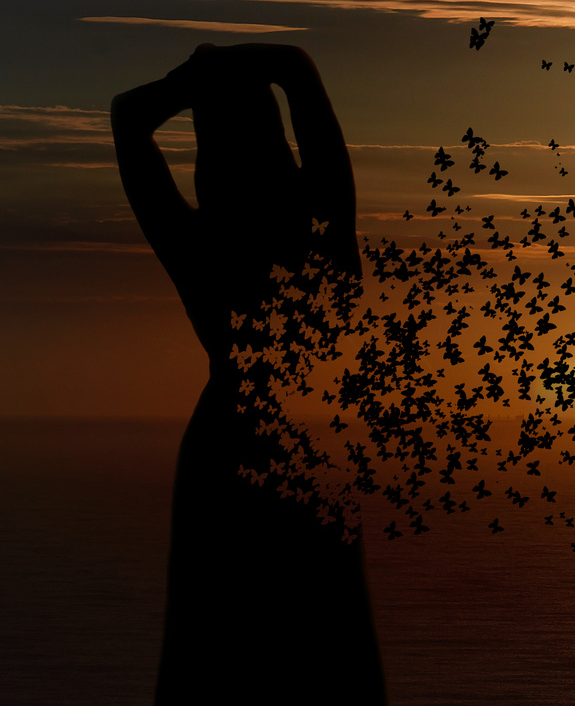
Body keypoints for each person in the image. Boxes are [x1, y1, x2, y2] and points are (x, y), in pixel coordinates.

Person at [113, 44, 387, 705]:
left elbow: (128, 116)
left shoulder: (202, 247)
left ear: (209, 172)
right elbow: (296, 65)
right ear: (287, 158)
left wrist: (193, 78)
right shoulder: (324, 232)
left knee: (207, 650)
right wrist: (235, 63)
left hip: (224, 443)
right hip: (309, 445)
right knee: (330, 648)